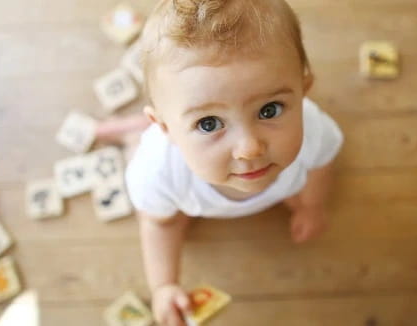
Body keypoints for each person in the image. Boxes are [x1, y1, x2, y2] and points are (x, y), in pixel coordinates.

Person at [96, 0, 344, 325]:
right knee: (171, 216)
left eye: (269, 110)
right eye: (209, 123)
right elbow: (158, 225)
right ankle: (133, 134)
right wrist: (164, 285)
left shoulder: (314, 130)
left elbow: (322, 164)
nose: (249, 148)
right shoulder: (157, 171)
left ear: (303, 92)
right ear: (166, 128)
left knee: (299, 190)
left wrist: (311, 206)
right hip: (182, 186)